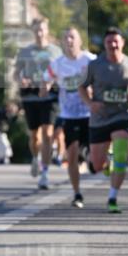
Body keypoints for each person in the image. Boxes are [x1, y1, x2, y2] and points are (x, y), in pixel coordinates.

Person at [78, 27, 128, 213]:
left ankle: (112, 197)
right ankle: (107, 167)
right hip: (99, 117)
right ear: (105, 44)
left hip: (121, 115)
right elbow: (82, 87)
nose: (113, 45)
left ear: (123, 43)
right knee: (97, 164)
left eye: (116, 41)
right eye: (109, 42)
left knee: (120, 157)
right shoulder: (95, 66)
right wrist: (90, 104)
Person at [43, 28, 95, 208]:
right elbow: (46, 78)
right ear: (62, 43)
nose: (69, 40)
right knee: (71, 154)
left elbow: (103, 78)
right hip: (69, 114)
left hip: (90, 114)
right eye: (65, 38)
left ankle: (93, 160)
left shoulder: (90, 60)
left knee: (95, 161)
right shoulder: (58, 63)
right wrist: (46, 87)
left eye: (72, 37)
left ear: (79, 40)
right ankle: (77, 193)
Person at [14, 17, 62, 190]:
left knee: (48, 133)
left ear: (47, 30)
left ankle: (45, 172)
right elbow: (16, 73)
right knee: (34, 135)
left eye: (42, 29)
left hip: (50, 97)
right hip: (30, 97)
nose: (40, 33)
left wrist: (52, 82)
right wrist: (22, 80)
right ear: (33, 32)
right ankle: (35, 157)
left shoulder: (56, 52)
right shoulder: (25, 52)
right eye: (36, 30)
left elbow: (62, 72)